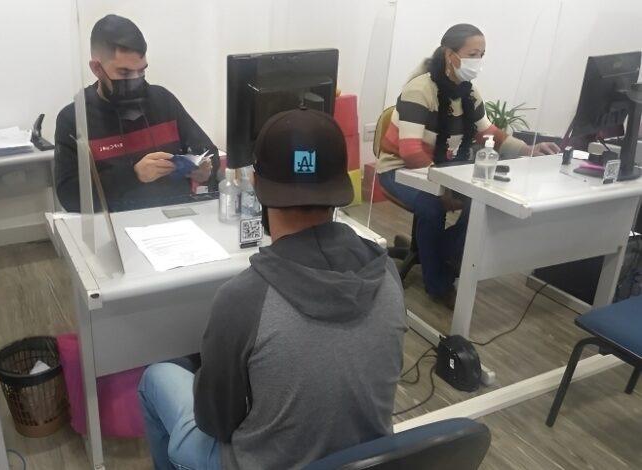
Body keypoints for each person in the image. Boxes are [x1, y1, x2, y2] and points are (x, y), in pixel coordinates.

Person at [137, 108, 408, 469]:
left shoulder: (243, 297)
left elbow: (215, 423)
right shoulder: (387, 270)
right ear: (340, 186)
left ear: (256, 187)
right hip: (368, 460)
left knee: (156, 377)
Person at [375, 23, 560, 306]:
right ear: (450, 55)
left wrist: (528, 150)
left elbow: (489, 134)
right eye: (473, 54)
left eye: (482, 54)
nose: (478, 61)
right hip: (399, 170)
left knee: (481, 201)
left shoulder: (469, 92)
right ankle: (437, 284)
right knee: (431, 205)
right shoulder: (419, 90)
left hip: (443, 171)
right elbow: (411, 152)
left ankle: (442, 255)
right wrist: (445, 189)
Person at [54, 15, 217, 213]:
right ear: (97, 68)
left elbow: (209, 152)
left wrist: (204, 169)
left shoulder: (162, 101)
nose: (136, 80)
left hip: (177, 216)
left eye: (141, 71)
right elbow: (69, 196)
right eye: (124, 73)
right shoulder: (75, 119)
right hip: (115, 223)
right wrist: (133, 175)